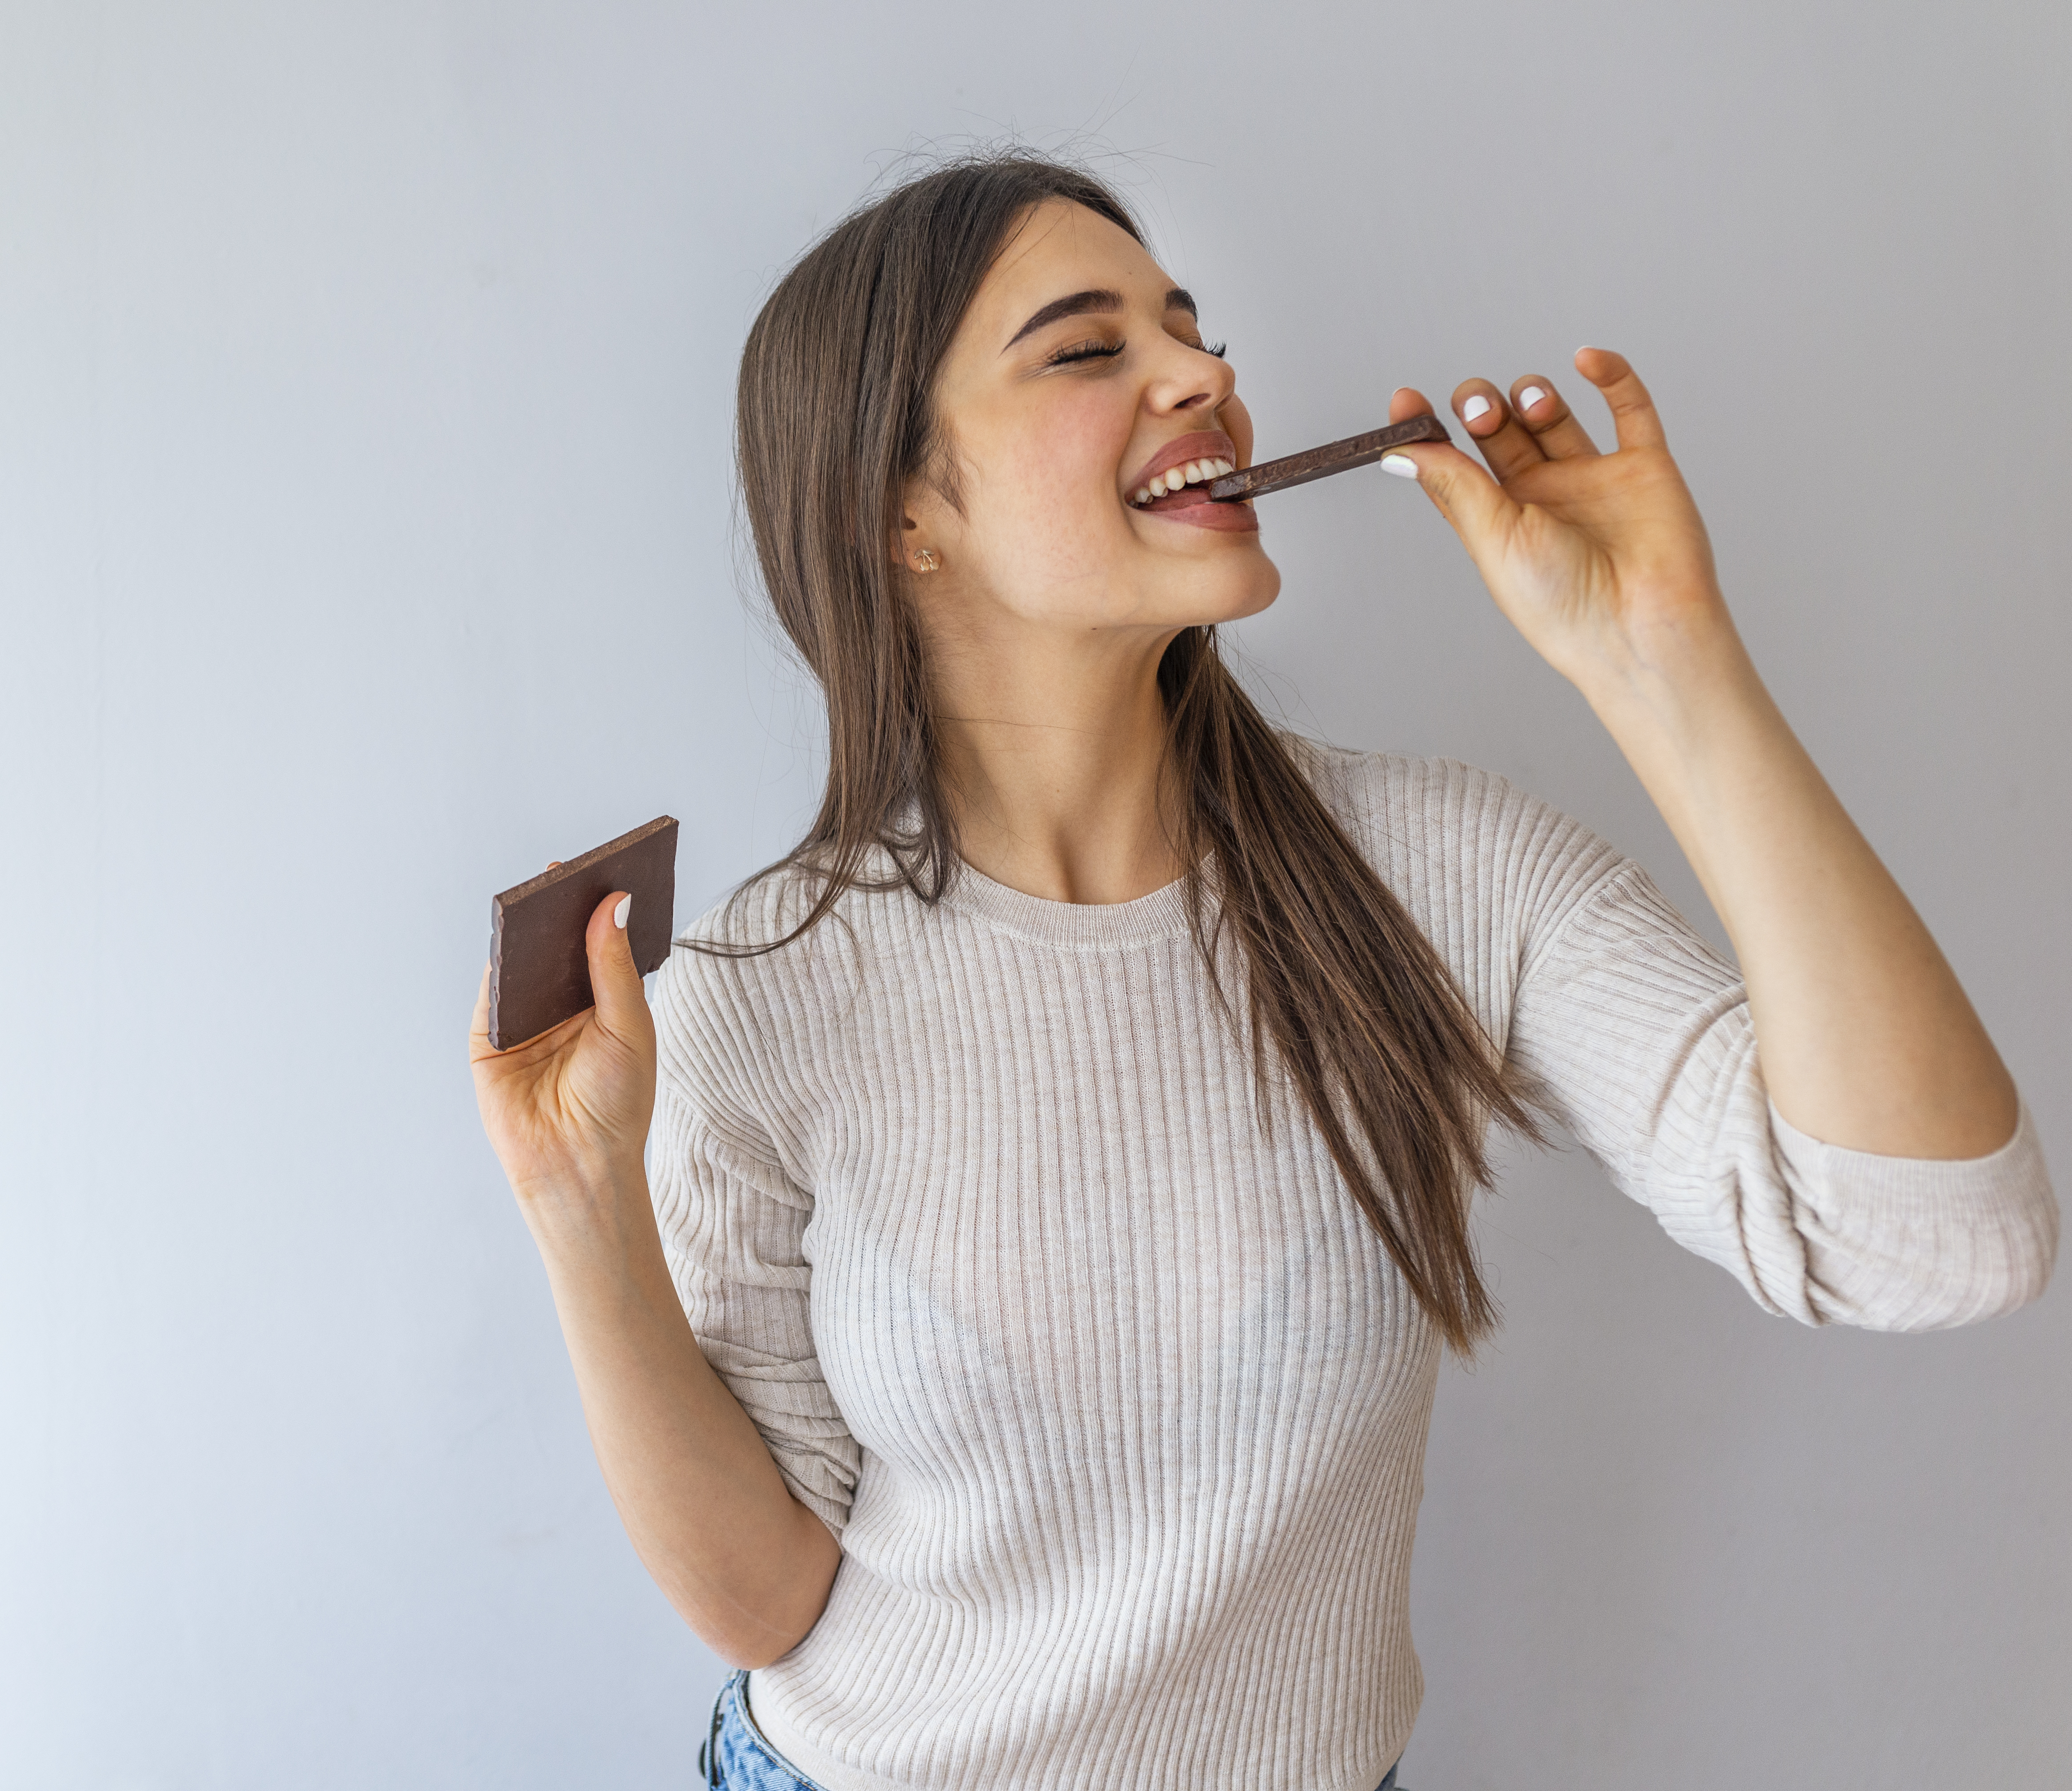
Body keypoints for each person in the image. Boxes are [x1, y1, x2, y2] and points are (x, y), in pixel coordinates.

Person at [465, 155, 2055, 1791]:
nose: (1207, 377)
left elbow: (1942, 1241)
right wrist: (585, 1214)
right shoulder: (757, 991)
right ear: (902, 513)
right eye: (1087, 350)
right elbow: (767, 1601)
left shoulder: (1438, 879)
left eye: (1192, 329)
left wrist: (1660, 655)